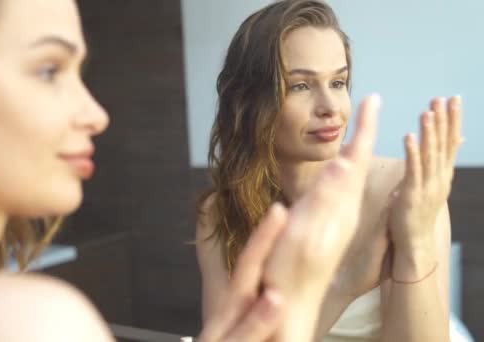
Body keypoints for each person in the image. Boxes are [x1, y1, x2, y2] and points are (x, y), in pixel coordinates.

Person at [0, 0, 379, 341]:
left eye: (340, 82)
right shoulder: (30, 321)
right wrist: (325, 291)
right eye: (49, 69)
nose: (96, 113)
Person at [197, 0, 462, 341]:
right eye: (301, 86)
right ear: (248, 102)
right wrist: (345, 286)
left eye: (338, 83)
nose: (330, 108)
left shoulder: (400, 191)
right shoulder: (219, 212)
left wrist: (417, 246)